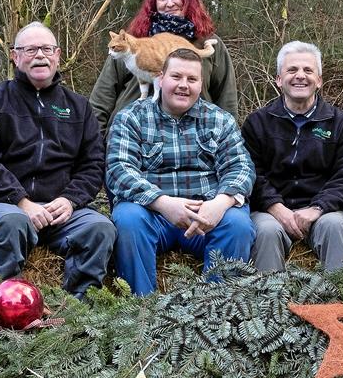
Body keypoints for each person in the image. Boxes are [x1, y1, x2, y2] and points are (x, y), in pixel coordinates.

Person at [0, 22, 114, 300]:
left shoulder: (79, 107)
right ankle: (5, 308)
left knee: (100, 228)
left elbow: (93, 164)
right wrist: (22, 202)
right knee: (10, 222)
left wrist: (70, 200)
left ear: (57, 55)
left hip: (60, 216)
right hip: (0, 208)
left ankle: (78, 312)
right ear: (15, 56)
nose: (40, 56)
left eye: (46, 49)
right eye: (30, 49)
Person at [106, 48, 255, 295]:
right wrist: (163, 203)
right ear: (161, 78)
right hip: (151, 214)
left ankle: (216, 311)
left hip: (205, 216)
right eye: (176, 77)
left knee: (238, 223)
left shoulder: (220, 120)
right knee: (128, 218)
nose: (183, 85)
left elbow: (240, 167)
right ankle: (140, 311)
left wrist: (219, 204)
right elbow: (118, 170)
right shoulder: (131, 117)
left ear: (201, 83)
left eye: (192, 79)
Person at [241, 41, 343, 272]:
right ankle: (268, 304)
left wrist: (317, 208)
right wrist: (277, 208)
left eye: (308, 70)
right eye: (292, 70)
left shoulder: (340, 123)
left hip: (324, 212)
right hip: (270, 212)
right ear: (278, 79)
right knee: (265, 232)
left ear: (319, 81)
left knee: (336, 226)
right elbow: (250, 173)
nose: (300, 76)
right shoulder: (257, 123)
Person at [91, 0, 238, 133]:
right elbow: (101, 99)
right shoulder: (131, 41)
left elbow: (227, 100)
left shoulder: (207, 43)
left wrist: (226, 141)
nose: (169, 3)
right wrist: (97, 149)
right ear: (154, 3)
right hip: (130, 138)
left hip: (195, 143)